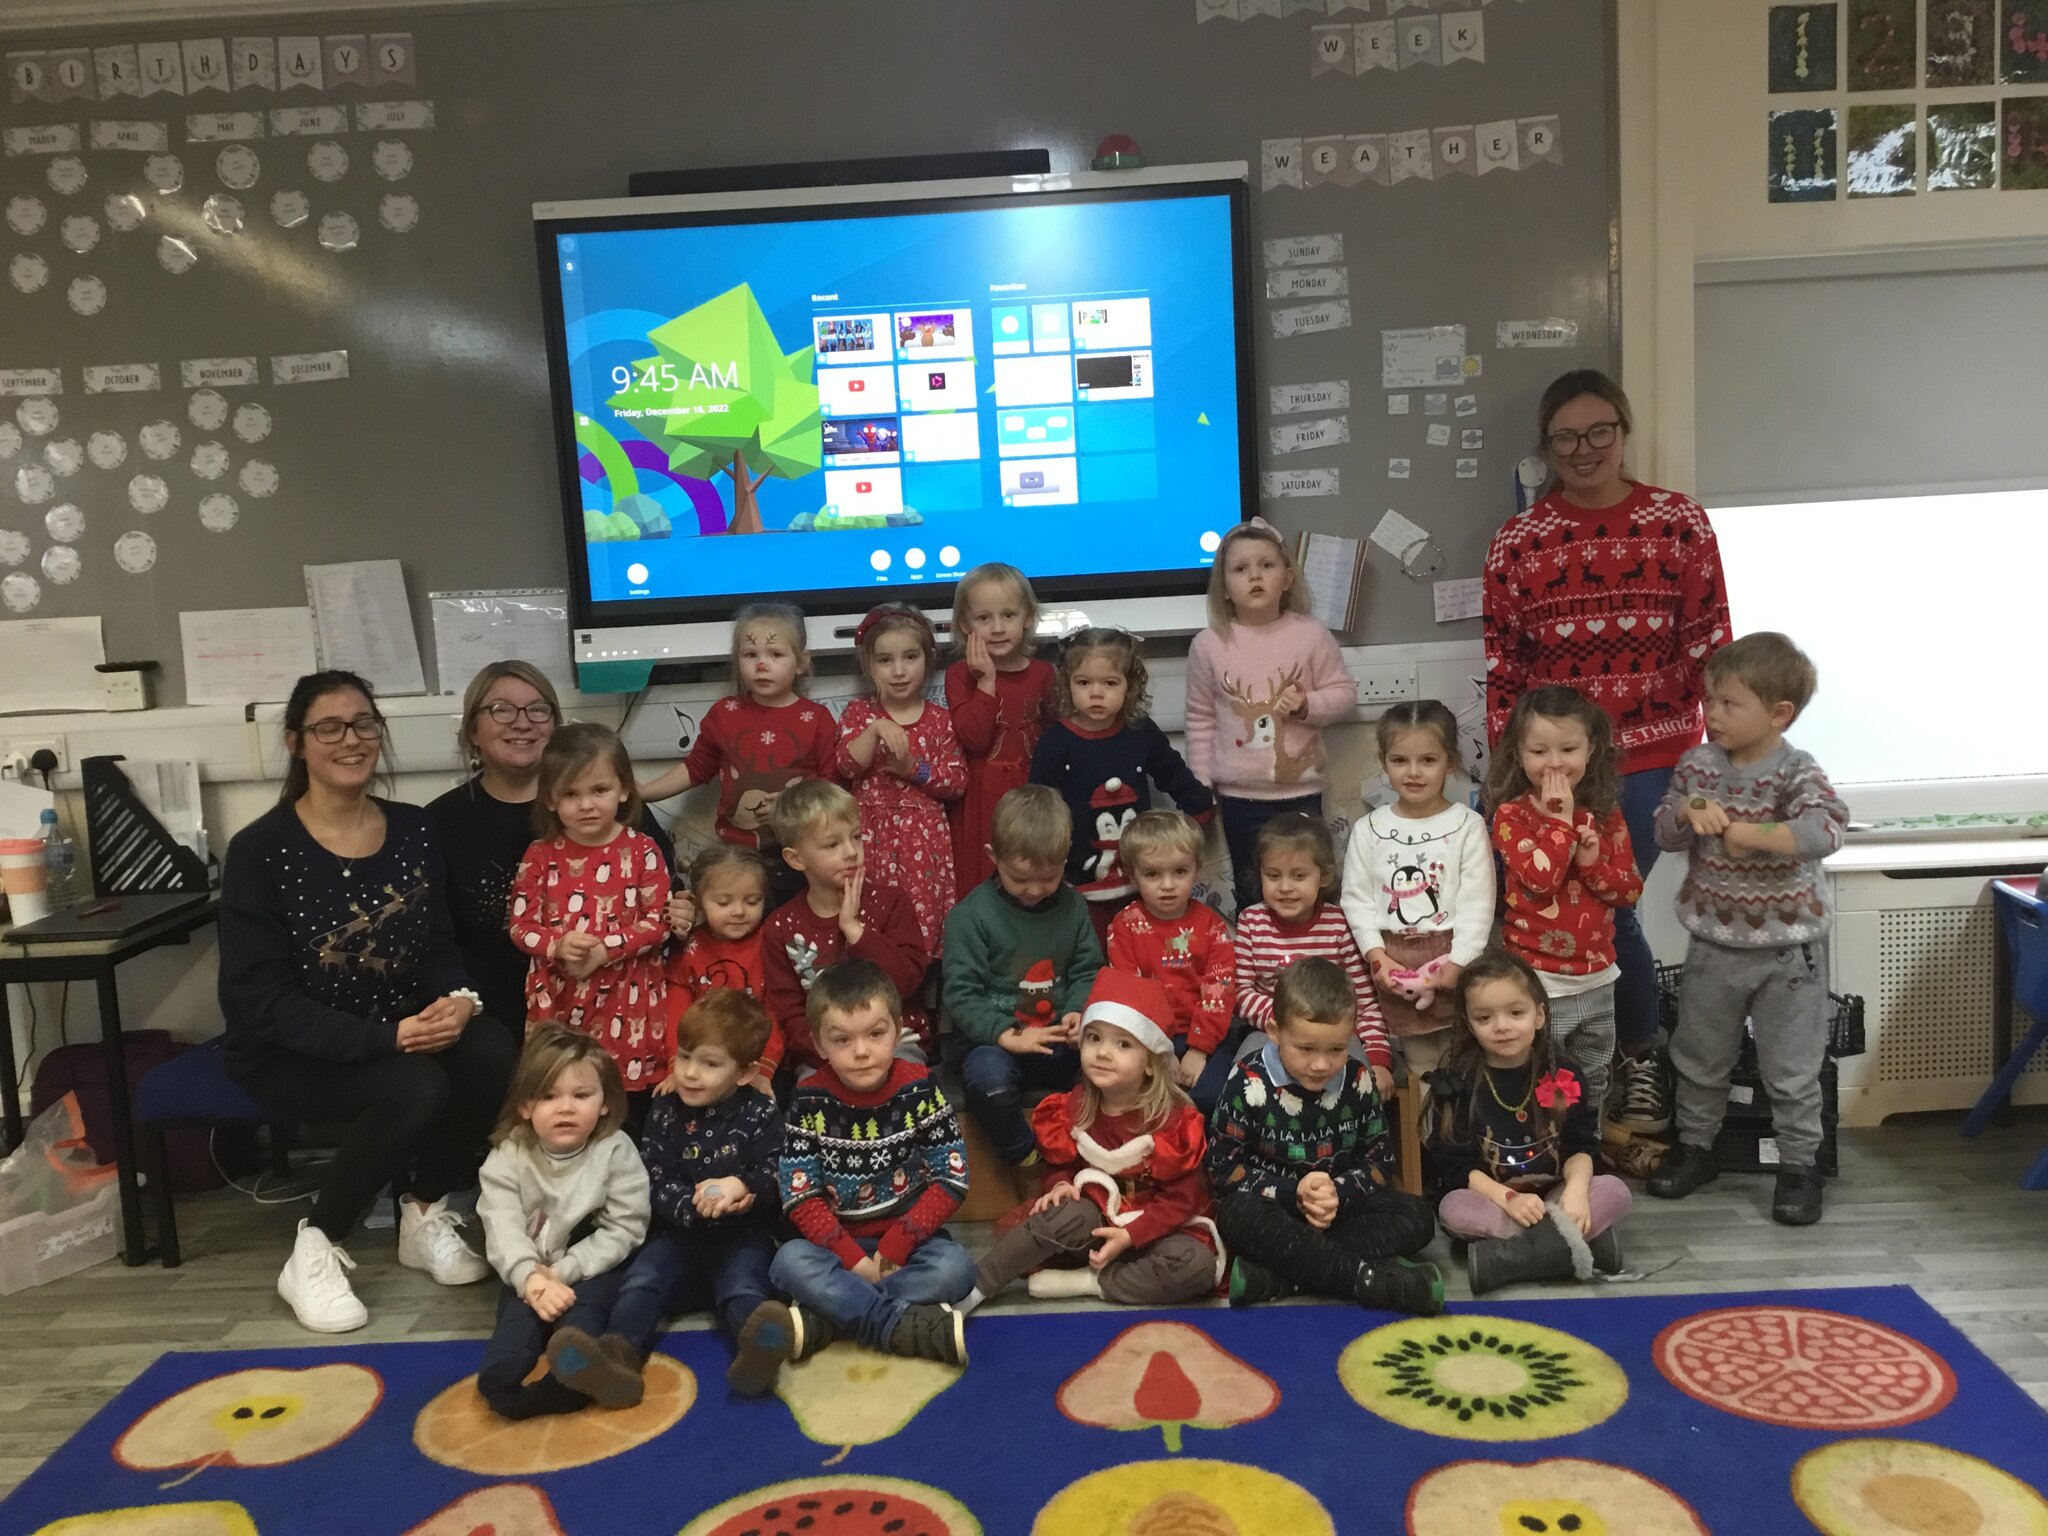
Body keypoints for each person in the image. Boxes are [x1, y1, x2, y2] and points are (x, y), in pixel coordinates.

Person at [222, 670, 513, 1334]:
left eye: (363, 724)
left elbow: (439, 944)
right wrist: (389, 1040)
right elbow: (261, 1001)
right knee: (414, 1085)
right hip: (290, 1053)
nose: (350, 739)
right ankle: (316, 1244)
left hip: (400, 1028)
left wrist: (458, 1000)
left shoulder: (413, 830)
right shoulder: (260, 851)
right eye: (329, 727)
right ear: (297, 742)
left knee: (491, 1046)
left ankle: (422, 1211)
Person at [1483, 369, 1732, 1134]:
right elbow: (1504, 663)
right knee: (1533, 909)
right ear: (1546, 447)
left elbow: (1709, 642)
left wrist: (1720, 761)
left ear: (1622, 432)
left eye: (1599, 432)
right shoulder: (1521, 541)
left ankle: (1635, 1059)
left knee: (1613, 908)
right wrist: (1506, 772)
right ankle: (1551, 1068)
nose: (1584, 449)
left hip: (1654, 756)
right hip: (1551, 764)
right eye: (1566, 437)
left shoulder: (1677, 523)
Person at [1648, 633, 1849, 1225]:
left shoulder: (1796, 770)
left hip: (1789, 954)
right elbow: (1664, 831)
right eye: (1710, 700)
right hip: (1712, 944)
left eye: (1729, 704)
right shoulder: (1698, 765)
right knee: (1699, 1057)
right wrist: (1687, 811)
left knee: (1791, 1066)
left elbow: (1825, 830)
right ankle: (1697, 1149)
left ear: (1778, 713)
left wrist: (1748, 833)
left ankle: (1798, 1167)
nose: (1713, 714)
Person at [731, 961, 973, 1392]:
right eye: (842, 1040)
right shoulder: (807, 1100)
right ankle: (895, 1325)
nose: (861, 1051)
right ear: (820, 1045)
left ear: (897, 1032)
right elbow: (800, 1195)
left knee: (956, 1269)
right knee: (787, 1263)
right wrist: (852, 1259)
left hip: (908, 1244)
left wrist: (897, 1244)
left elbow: (950, 1177)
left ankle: (821, 1321)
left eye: (875, 1035)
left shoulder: (920, 1087)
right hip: (839, 1247)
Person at [428, 661, 675, 1041]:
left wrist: (684, 911)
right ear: (472, 730)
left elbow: (663, 908)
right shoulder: (441, 822)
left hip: (621, 1005)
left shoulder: (622, 823)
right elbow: (437, 938)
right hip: (505, 1010)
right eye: (501, 709)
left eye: (537, 709)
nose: (522, 722)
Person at [958, 970, 1220, 1309]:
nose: (1103, 1053)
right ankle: (977, 1287)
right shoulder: (1074, 1107)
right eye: (1094, 1038)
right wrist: (1060, 1184)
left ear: (1151, 1065)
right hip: (1094, 1221)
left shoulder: (1172, 1121)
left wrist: (1130, 1236)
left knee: (1195, 1265)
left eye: (1122, 1044)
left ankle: (1090, 1282)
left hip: (1157, 1230)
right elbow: (1060, 1164)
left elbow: (1180, 1202)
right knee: (1064, 1213)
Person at [1207, 958, 1443, 1313]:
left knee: (1418, 1217)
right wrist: (1294, 1193)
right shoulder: (1246, 1081)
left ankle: (1281, 1279)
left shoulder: (1359, 1079)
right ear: (1274, 1031)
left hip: (1338, 1210)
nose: (1321, 1065)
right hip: (1277, 1211)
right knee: (1234, 1215)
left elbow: (1380, 1162)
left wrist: (1338, 1191)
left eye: (1336, 1049)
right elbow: (1222, 1169)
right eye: (1305, 1049)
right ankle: (1368, 1281)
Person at [610, 989, 785, 1395]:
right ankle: (617, 1356)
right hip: (678, 1234)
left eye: (709, 1064)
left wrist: (743, 1188)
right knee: (642, 1280)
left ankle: (758, 1353)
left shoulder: (760, 1112)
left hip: (742, 1236)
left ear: (743, 1072)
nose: (689, 1073)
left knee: (743, 1288)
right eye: (684, 1056)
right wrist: (690, 1205)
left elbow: (777, 1170)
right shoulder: (665, 1108)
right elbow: (650, 1174)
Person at [1426, 951, 1631, 1295]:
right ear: (1468, 1022)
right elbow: (1456, 1168)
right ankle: (1579, 1247)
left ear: (1539, 1015)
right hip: (1497, 1200)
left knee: (1615, 1191)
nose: (1502, 1026)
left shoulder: (1563, 1073)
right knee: (1454, 1209)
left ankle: (1509, 1258)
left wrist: (1578, 1195)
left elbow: (1581, 1145)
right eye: (1485, 1017)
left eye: (1516, 1013)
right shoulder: (1459, 1082)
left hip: (1556, 1193)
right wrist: (1509, 1199)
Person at [475, 1025, 650, 1418]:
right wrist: (531, 1278)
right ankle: (502, 1383)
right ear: (524, 1106)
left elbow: (625, 1228)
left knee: (583, 1322)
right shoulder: (509, 1155)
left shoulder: (616, 1151)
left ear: (605, 1102)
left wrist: (566, 1271)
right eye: (548, 1096)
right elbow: (500, 1223)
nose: (566, 1107)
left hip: (590, 1269)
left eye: (582, 1095)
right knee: (514, 1333)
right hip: (529, 1272)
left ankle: (569, 1385)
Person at [1184, 518, 1358, 914]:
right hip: (1238, 797)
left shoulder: (1311, 634)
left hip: (1300, 792)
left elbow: (1344, 694)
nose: (1255, 576)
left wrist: (1306, 705)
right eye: (1240, 569)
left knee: (1306, 888)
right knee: (1253, 891)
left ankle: (1310, 969)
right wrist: (1200, 785)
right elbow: (1199, 720)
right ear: (1224, 587)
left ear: (1288, 577)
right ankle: (1257, 968)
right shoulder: (1209, 645)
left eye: (1266, 565)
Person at [1487, 686, 1645, 1121]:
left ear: (1591, 750)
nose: (1554, 762)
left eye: (1569, 749)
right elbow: (1540, 880)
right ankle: (1545, 1153)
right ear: (1519, 753)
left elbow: (1629, 891)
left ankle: (1586, 1155)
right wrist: (1560, 822)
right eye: (1539, 750)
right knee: (1546, 1077)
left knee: (1593, 1078)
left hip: (1597, 978)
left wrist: (1593, 865)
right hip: (1539, 981)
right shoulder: (1511, 817)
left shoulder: (1607, 815)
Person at [509, 724, 671, 1118]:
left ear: (623, 789)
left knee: (622, 1102)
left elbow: (658, 922)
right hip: (561, 1000)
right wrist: (556, 945)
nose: (586, 805)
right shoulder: (540, 854)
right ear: (550, 798)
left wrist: (606, 949)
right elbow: (519, 924)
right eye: (570, 794)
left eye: (598, 790)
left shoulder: (643, 849)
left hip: (626, 998)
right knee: (565, 1094)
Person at [945, 785, 1103, 1166]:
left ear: (1065, 859)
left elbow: (1088, 970)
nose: (1035, 890)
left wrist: (1078, 1010)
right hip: (996, 1045)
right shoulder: (970, 916)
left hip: (1059, 1041)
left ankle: (1090, 1152)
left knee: (1115, 1067)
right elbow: (961, 995)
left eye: (1049, 878)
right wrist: (1008, 1035)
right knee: (987, 1080)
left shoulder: (1074, 906)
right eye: (1020, 879)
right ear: (992, 856)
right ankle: (1027, 1157)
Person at [1341, 701, 1494, 1077]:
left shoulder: (1467, 825)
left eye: (1428, 760)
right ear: (1384, 761)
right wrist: (1378, 958)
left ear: (1450, 761)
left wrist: (1459, 963)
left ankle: (1464, 1134)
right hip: (1394, 961)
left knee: (1469, 1061)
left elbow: (1478, 902)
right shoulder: (1369, 828)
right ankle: (1428, 1137)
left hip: (1455, 956)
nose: (1413, 772)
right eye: (1400, 760)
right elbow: (1356, 901)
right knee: (1422, 1067)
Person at [1030, 627, 1214, 941]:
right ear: (1066, 684)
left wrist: (1201, 810)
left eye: (1110, 683)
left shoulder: (1140, 732)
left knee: (1143, 949)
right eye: (1084, 682)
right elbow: (1039, 807)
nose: (1096, 693)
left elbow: (1173, 774)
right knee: (1092, 954)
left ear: (1130, 687)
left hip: (1143, 878)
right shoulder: (1056, 741)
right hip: (1080, 880)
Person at [638, 604, 836, 890]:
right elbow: (694, 768)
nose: (761, 665)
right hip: (738, 855)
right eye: (750, 654)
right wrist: (644, 792)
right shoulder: (724, 714)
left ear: (801, 662)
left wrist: (793, 805)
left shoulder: (818, 720)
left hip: (802, 854)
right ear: (737, 659)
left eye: (776, 654)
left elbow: (833, 787)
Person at [759, 780, 932, 1072]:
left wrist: (856, 931)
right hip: (822, 1055)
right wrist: (831, 1052)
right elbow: (790, 1013)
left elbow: (905, 983)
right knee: (808, 1097)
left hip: (896, 1044)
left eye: (856, 837)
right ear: (796, 858)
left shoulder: (891, 903)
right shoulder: (780, 927)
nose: (851, 851)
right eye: (832, 844)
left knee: (911, 1088)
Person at [834, 604, 967, 958]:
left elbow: (956, 783)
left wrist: (913, 768)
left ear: (928, 659)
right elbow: (846, 766)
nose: (898, 671)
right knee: (870, 922)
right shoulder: (860, 714)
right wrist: (876, 729)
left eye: (910, 657)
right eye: (884, 660)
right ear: (868, 665)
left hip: (923, 846)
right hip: (871, 837)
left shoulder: (941, 720)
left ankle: (919, 1001)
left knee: (921, 930)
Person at [1234, 813, 1393, 1097]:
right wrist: (1289, 1024)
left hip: (1332, 1033)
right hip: (1270, 1031)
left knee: (1362, 1078)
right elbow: (1241, 993)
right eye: (1273, 875)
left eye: (1299, 875)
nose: (1285, 887)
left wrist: (1379, 1060)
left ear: (1325, 876)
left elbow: (1364, 1002)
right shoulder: (1250, 921)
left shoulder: (1338, 923)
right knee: (1241, 1077)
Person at [1106, 810, 1237, 1112]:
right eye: (1153, 874)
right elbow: (1130, 996)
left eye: (1179, 872)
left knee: (1210, 1095)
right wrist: (1161, 1052)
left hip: (1205, 1035)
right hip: (1146, 1037)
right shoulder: (1125, 925)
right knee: (1136, 1092)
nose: (1168, 885)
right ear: (1131, 874)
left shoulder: (1210, 926)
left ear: (1197, 869)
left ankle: (1205, 1156)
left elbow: (1219, 991)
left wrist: (1199, 1050)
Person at [945, 562, 1059, 900]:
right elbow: (974, 738)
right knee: (981, 883)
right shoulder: (959, 674)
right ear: (965, 624)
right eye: (984, 618)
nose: (997, 628)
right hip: (980, 799)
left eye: (1008, 615)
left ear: (1027, 617)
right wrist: (987, 681)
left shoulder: (1044, 674)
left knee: (1030, 876)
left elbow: (1054, 741)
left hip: (1030, 794)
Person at [664, 845, 780, 1085]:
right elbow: (676, 1016)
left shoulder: (772, 943)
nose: (738, 911)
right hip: (700, 1066)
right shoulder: (689, 950)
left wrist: (765, 1069)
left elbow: (777, 1014)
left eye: (752, 901)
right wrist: (677, 1066)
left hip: (754, 1063)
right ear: (698, 903)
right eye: (724, 903)